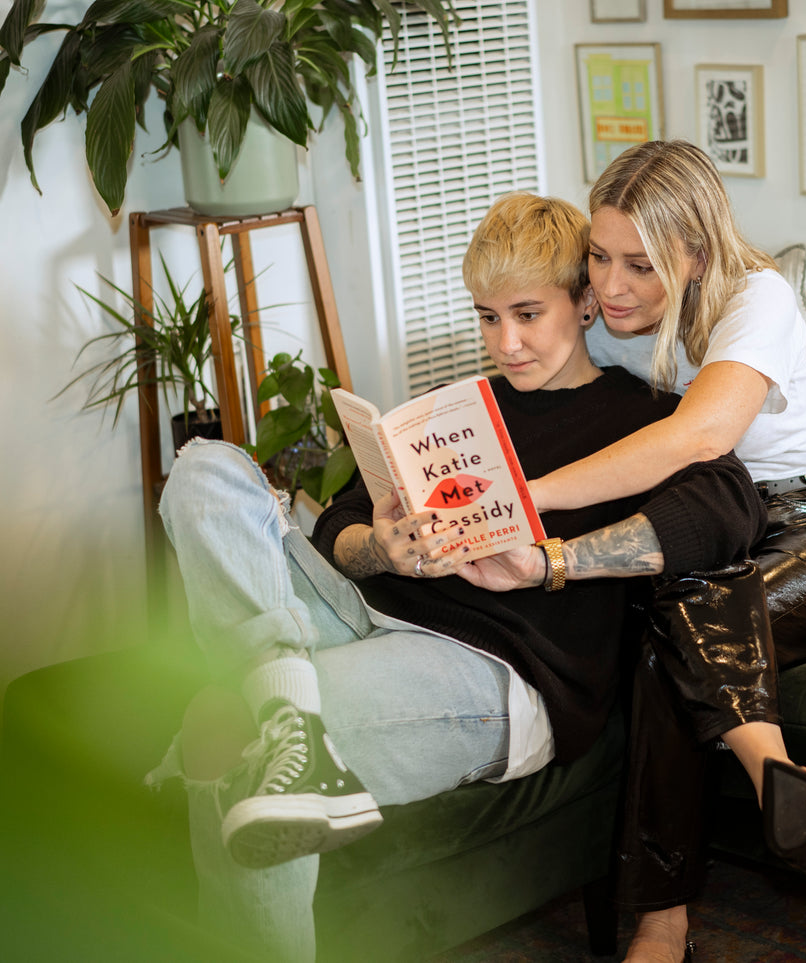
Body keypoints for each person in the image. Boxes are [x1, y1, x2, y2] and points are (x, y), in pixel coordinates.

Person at [152, 191, 765, 960]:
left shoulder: (645, 422)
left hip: (493, 668)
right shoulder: (453, 415)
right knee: (205, 467)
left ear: (582, 304)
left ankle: (275, 712)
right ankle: (290, 713)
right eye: (486, 317)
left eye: (526, 314)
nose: (505, 342)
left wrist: (551, 562)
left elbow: (726, 512)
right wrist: (382, 547)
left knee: (219, 720)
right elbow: (336, 520)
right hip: (362, 608)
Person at [525, 139, 806, 963]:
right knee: (669, 633)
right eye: (597, 256)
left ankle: (666, 922)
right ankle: (768, 797)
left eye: (641, 264)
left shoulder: (754, 296)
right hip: (704, 532)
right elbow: (530, 378)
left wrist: (533, 498)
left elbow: (701, 434)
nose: (612, 285)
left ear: (693, 254)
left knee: (680, 614)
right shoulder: (599, 313)